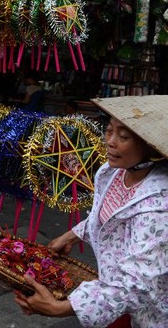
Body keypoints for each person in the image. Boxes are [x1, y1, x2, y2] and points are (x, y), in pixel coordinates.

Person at [14, 95, 168, 327]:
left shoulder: (159, 205)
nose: (110, 141)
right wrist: (71, 236)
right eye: (109, 130)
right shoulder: (114, 173)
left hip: (151, 313)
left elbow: (138, 282)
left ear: (150, 145)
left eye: (123, 136)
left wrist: (61, 308)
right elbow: (106, 216)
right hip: (115, 297)